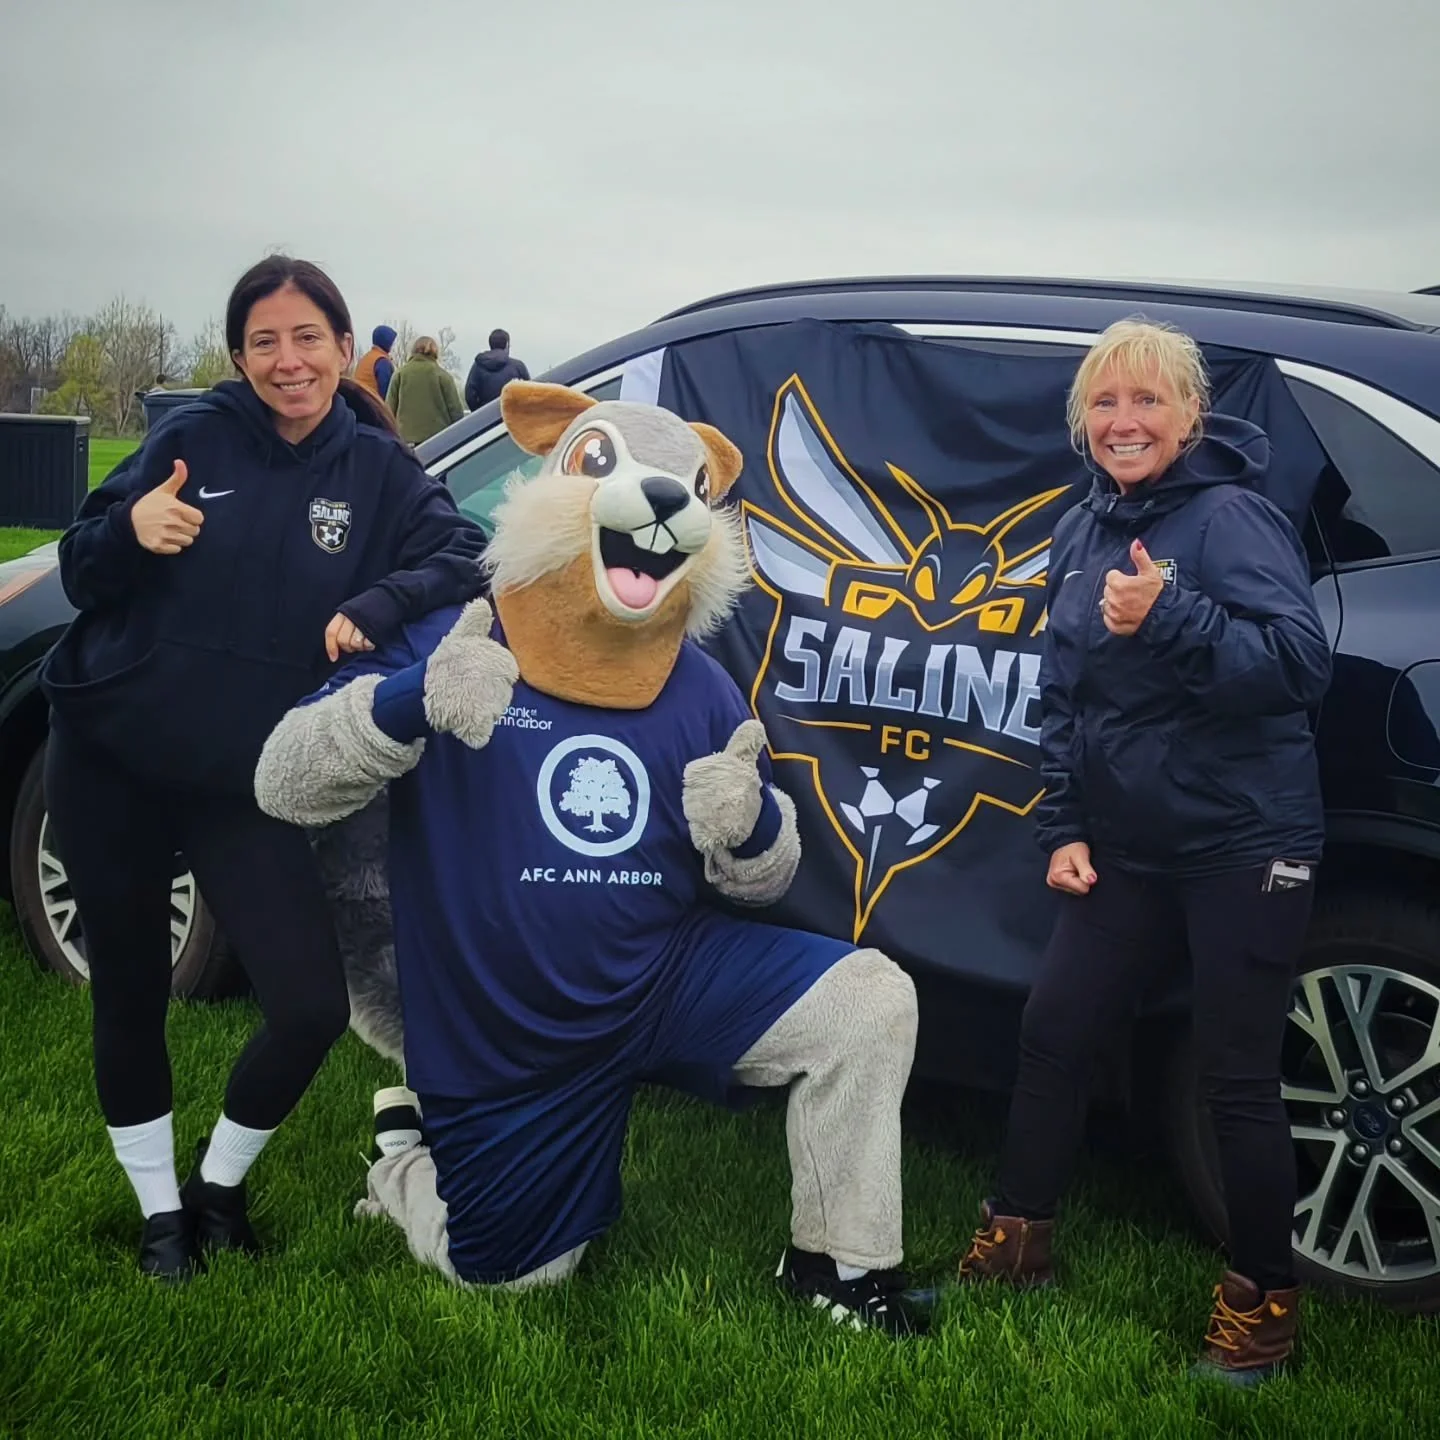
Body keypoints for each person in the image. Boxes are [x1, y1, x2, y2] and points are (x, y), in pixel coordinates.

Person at [39, 255, 488, 1283]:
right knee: (132, 993)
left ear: (342, 343)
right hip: (111, 758)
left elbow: (463, 552)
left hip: (244, 778)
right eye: (263, 342)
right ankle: (161, 1220)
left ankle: (218, 1190)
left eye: (306, 338)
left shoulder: (375, 468)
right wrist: (132, 530)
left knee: (308, 1007)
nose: (287, 361)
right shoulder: (194, 435)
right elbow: (77, 561)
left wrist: (376, 605)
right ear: (238, 354)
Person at [955, 319, 1332, 1387]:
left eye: (1147, 401)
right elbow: (1065, 698)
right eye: (1106, 405)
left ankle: (1262, 1310)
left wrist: (1171, 616)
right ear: (1084, 425)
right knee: (1055, 1031)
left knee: (1235, 1078)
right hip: (1127, 846)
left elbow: (1298, 666)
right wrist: (1065, 825)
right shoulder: (1083, 529)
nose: (1126, 421)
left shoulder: (1232, 518)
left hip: (1246, 844)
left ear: (1190, 415)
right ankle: (1016, 1249)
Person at [385, 335, 464, 445]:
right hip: (439, 441)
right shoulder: (442, 376)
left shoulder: (400, 374)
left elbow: (388, 412)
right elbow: (456, 412)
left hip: (406, 443)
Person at [463, 328, 529, 411]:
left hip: (486, 418)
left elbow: (470, 396)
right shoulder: (518, 366)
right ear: (507, 345)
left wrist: (479, 412)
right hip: (512, 417)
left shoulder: (478, 366)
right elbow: (530, 393)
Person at [353, 324, 397, 402]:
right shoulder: (382, 361)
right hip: (372, 405)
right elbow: (386, 393)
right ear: (386, 342)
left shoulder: (366, 358)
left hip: (358, 402)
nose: (393, 345)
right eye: (392, 342)